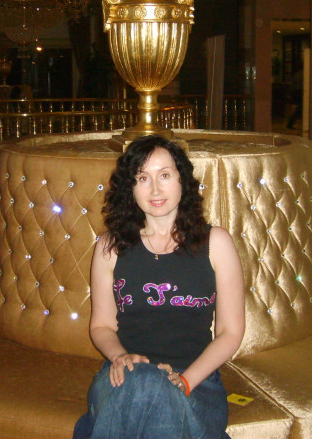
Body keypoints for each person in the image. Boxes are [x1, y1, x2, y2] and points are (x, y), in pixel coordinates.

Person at [74, 135, 245, 439]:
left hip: (196, 381)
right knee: (144, 383)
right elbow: (101, 326)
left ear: (182, 180)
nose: (155, 189)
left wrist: (185, 381)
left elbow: (230, 332)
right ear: (130, 187)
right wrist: (120, 357)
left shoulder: (215, 243)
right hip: (123, 376)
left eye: (164, 175)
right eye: (143, 178)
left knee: (156, 396)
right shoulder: (110, 247)